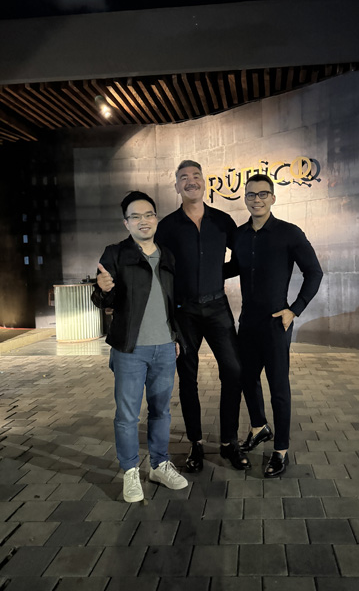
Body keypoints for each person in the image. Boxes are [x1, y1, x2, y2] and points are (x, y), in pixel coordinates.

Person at [91, 190, 188, 502]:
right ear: (126, 223)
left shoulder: (168, 255)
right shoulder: (115, 254)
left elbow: (172, 302)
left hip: (165, 348)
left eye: (148, 214)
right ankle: (130, 471)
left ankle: (159, 465)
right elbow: (103, 300)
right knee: (127, 415)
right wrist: (101, 289)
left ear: (156, 218)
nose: (143, 221)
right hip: (130, 350)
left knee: (161, 411)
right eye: (135, 216)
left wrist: (175, 337)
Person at [226, 173, 323, 477]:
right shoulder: (239, 235)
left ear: (272, 198)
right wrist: (197, 272)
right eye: (251, 194)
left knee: (278, 387)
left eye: (262, 194)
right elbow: (234, 267)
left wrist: (294, 309)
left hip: (276, 323)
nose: (256, 200)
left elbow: (314, 272)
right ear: (245, 198)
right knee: (246, 378)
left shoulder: (289, 233)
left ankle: (281, 449)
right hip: (248, 322)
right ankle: (259, 427)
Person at [156, 160, 250, 472]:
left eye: (196, 176)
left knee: (234, 371)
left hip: (217, 307)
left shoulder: (222, 221)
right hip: (183, 312)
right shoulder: (167, 227)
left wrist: (213, 273)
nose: (191, 181)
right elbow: (160, 272)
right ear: (176, 186)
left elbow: (241, 259)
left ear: (204, 183)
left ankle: (229, 442)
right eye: (184, 177)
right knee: (187, 377)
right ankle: (195, 444)